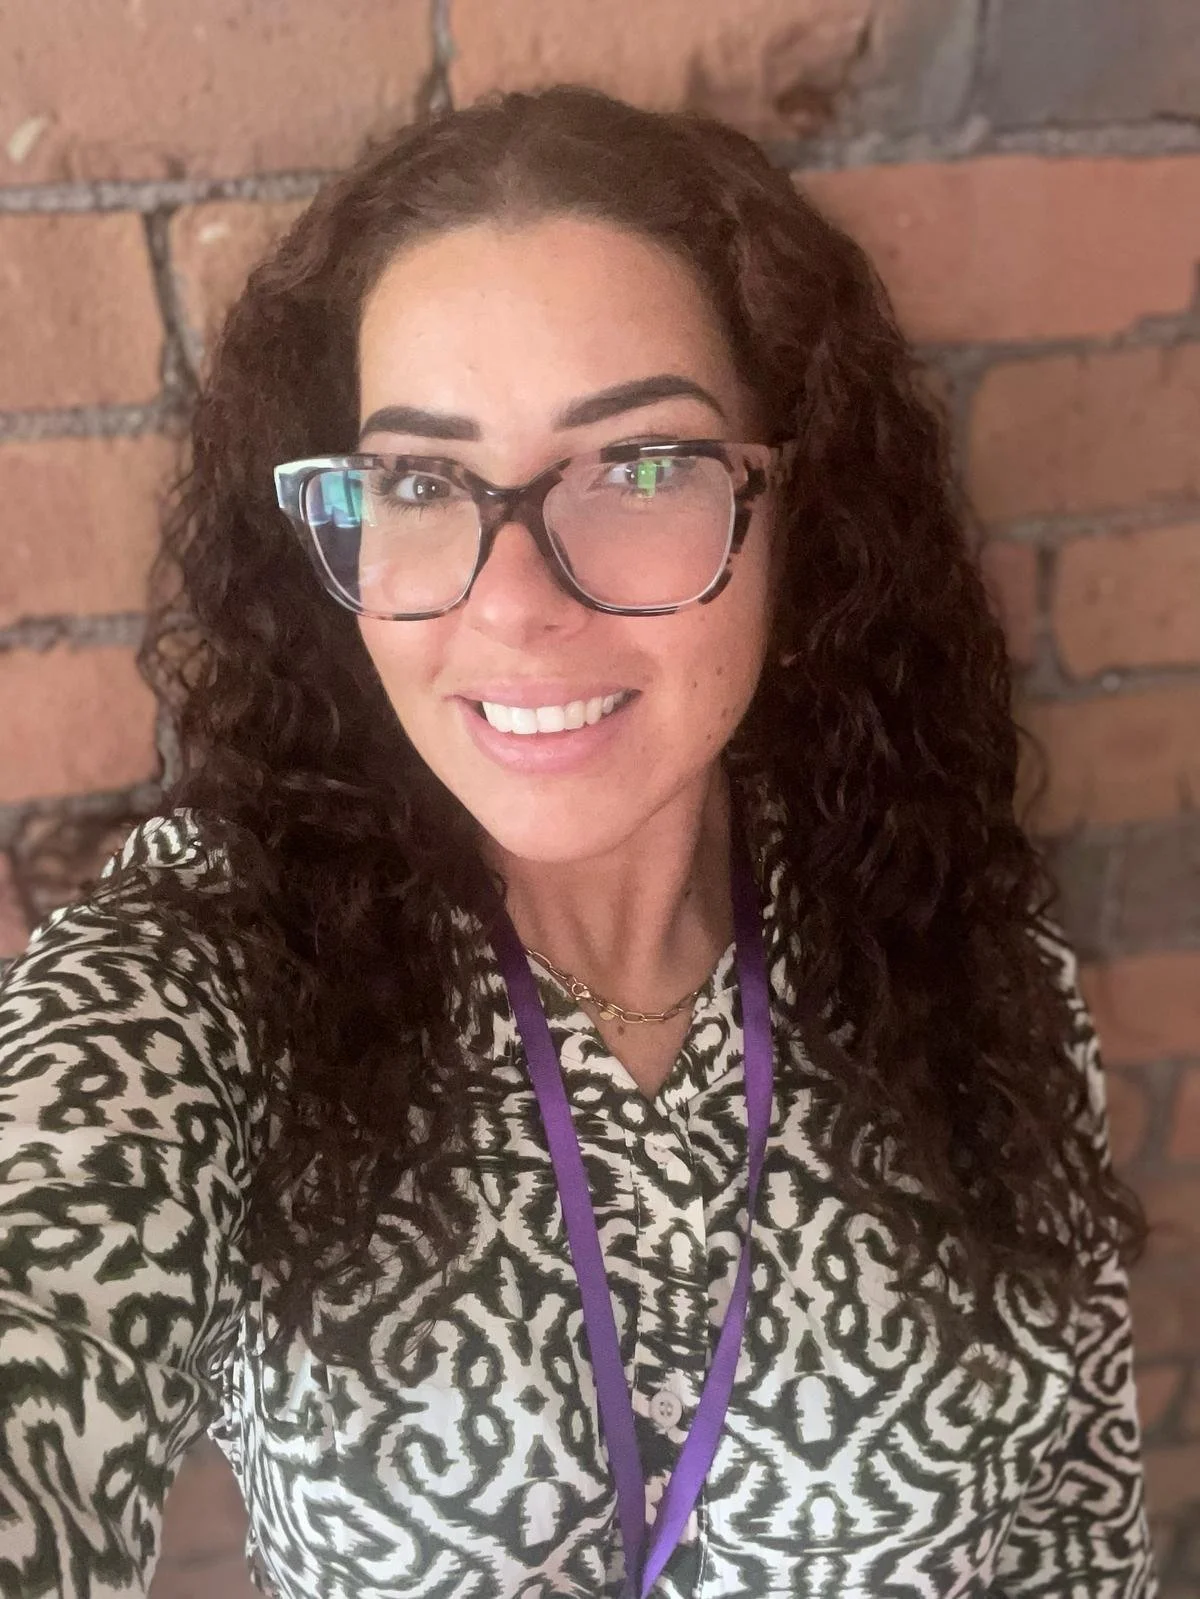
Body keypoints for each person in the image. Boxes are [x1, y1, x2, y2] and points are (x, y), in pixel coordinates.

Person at [0, 86, 1155, 1599]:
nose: (515, 605)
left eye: (641, 467)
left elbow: (1079, 1519)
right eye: (419, 481)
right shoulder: (232, 960)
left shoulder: (938, 925)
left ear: (796, 507)